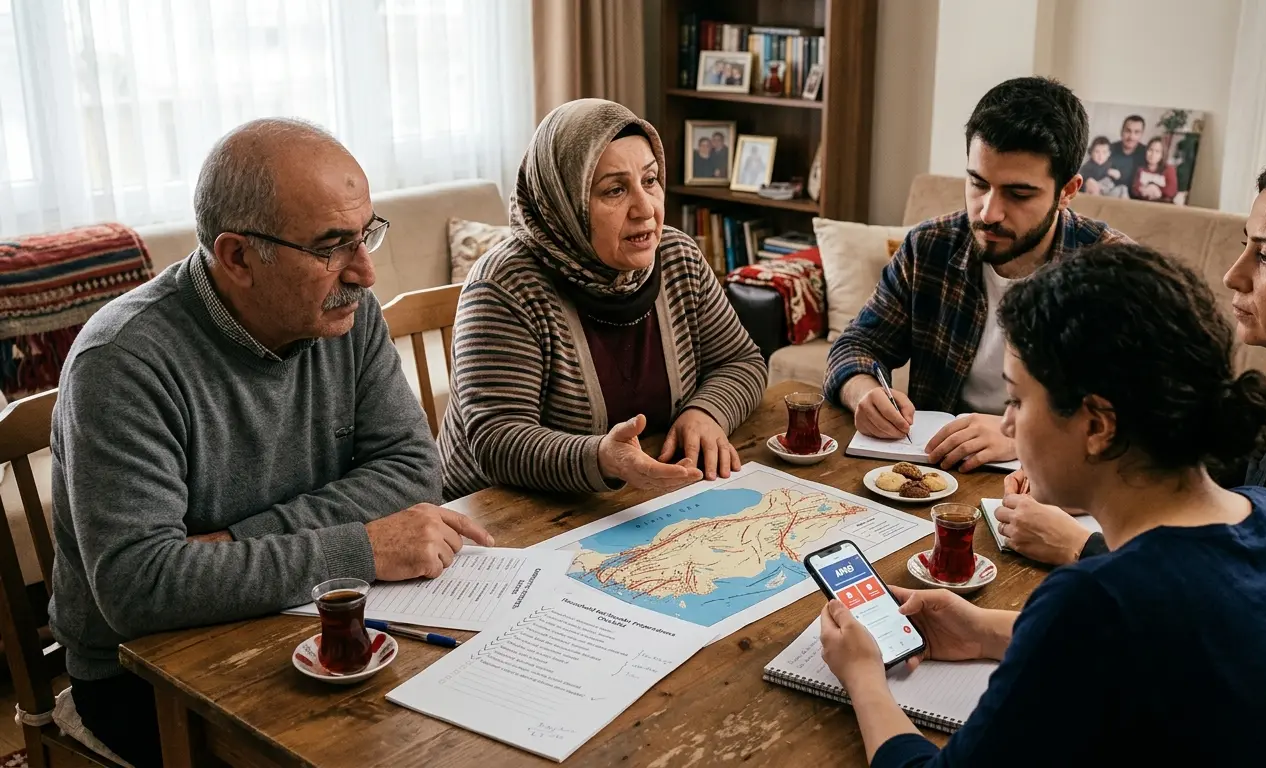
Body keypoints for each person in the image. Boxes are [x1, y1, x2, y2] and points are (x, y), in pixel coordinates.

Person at [48, 118, 495, 767]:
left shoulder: (350, 313)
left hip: (306, 614)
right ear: (235, 257)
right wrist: (361, 546)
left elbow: (411, 472)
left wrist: (226, 551)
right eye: (333, 246)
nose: (366, 272)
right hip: (143, 675)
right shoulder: (121, 363)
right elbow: (139, 588)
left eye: (366, 232)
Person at [818, 241, 1266, 767]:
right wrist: (982, 630)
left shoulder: (1094, 602)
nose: (1006, 425)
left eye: (1018, 400)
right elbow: (1168, 651)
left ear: (1097, 425)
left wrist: (863, 677)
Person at [992, 148, 1266, 767]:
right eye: (1245, 246)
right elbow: (1205, 506)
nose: (1234, 275)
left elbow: (1246, 598)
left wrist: (1080, 547)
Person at [437, 99, 766, 498]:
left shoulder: (678, 256)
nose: (646, 209)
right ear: (564, 201)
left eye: (650, 180)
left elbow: (741, 361)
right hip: (505, 517)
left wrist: (707, 411)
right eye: (614, 189)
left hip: (635, 502)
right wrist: (602, 458)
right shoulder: (503, 286)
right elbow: (498, 439)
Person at [823, 76, 1129, 472]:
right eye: (977, 183)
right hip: (937, 472)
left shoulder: (1115, 272)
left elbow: (1143, 415)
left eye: (1018, 194)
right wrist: (861, 390)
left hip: (1062, 484)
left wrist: (1018, 435)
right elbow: (855, 345)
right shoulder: (929, 246)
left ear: (1067, 190)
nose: (988, 213)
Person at [1106, 113, 1146, 195]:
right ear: (1121, 131)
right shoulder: (1108, 149)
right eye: (1128, 131)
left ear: (1141, 135)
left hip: (1136, 200)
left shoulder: (1147, 153)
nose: (1131, 137)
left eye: (1137, 132)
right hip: (1109, 196)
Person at [1132, 135, 1180, 202]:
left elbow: (1172, 191)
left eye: (1157, 151)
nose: (1152, 154)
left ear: (1162, 155)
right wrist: (1145, 190)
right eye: (1150, 150)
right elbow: (1135, 190)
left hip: (1162, 205)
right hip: (1142, 203)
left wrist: (1156, 189)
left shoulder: (1169, 169)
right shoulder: (1141, 169)